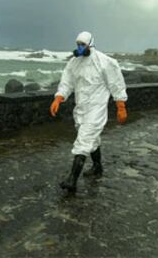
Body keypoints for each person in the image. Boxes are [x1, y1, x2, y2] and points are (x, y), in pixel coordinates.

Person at [50, 31, 127, 193]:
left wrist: (121, 106)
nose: (79, 48)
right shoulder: (74, 63)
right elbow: (67, 82)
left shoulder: (105, 62)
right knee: (92, 138)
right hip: (81, 108)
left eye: (82, 45)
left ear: (90, 44)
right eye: (77, 44)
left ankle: (72, 180)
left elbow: (116, 84)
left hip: (96, 108)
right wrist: (58, 98)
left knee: (84, 140)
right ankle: (98, 167)